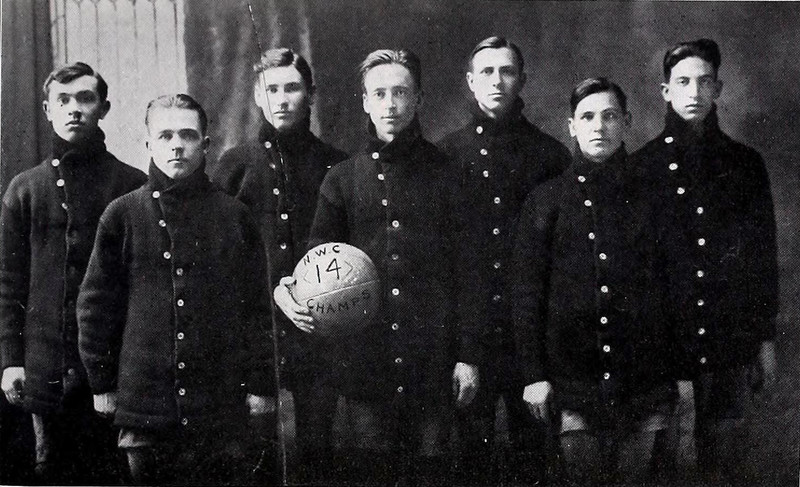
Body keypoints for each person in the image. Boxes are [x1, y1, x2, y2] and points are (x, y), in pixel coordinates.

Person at [275, 48, 477, 485]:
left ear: (418, 99)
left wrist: (468, 357)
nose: (390, 104)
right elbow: (316, 262)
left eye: (400, 92)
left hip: (433, 364)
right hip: (365, 367)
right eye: (379, 94)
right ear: (365, 101)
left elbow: (468, 273)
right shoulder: (342, 178)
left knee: (433, 473)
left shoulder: (448, 174)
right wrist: (289, 291)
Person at [77, 94, 273, 485]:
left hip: (219, 408)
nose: (177, 145)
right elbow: (95, 306)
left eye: (187, 135)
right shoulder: (122, 214)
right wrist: (102, 382)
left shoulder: (234, 216)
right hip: (144, 407)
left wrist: (261, 384)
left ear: (206, 144)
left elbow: (256, 308)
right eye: (165, 136)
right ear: (148, 143)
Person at [631, 39, 779, 485]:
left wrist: (764, 338)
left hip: (728, 339)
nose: (693, 92)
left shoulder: (745, 164)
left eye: (703, 82)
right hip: (662, 343)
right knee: (663, 463)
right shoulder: (641, 168)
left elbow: (761, 258)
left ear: (718, 88)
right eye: (682, 82)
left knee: (724, 462)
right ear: (665, 91)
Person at [514, 78, 674, 486]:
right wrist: (533, 375)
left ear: (627, 122)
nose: (598, 126)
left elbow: (674, 288)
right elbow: (527, 294)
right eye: (587, 117)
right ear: (571, 126)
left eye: (609, 116)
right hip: (573, 385)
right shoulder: (545, 200)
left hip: (644, 384)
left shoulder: (654, 199)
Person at [0, 62, 146, 484]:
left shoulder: (131, 185)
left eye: (85, 98)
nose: (74, 109)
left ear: (104, 108)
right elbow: (8, 283)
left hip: (116, 371)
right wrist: (11, 361)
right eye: (63, 100)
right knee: (51, 470)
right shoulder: (25, 189)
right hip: (45, 369)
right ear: (48, 110)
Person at [211, 48, 348, 483]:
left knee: (318, 450)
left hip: (318, 330)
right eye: (272, 89)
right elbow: (220, 255)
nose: (282, 99)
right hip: (256, 332)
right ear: (257, 96)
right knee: (258, 453)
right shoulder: (235, 165)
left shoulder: (336, 164)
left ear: (311, 94)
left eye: (292, 88)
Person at [438, 36, 570, 485]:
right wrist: (463, 352)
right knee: (469, 464)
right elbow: (442, 265)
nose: (497, 81)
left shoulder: (550, 155)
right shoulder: (445, 156)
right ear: (471, 82)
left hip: (531, 346)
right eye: (487, 72)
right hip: (467, 345)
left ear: (522, 81)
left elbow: (559, 264)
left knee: (534, 463)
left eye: (506, 71)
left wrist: (541, 365)